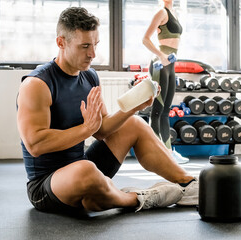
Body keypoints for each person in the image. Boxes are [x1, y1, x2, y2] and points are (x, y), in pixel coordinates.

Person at [16, 7, 198, 215]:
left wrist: (134, 108)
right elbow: (35, 144)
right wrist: (85, 130)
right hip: (47, 186)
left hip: (84, 168)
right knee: (86, 172)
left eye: (95, 45)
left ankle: (188, 184)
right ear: (61, 43)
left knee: (135, 124)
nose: (92, 54)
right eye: (85, 46)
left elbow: (101, 130)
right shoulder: (37, 84)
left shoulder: (89, 76)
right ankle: (136, 199)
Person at [142, 0, 189, 164]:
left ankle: (167, 151)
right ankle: (157, 153)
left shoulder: (174, 12)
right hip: (160, 64)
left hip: (170, 64)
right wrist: (161, 56)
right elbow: (145, 39)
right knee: (157, 109)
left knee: (165, 111)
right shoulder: (161, 12)